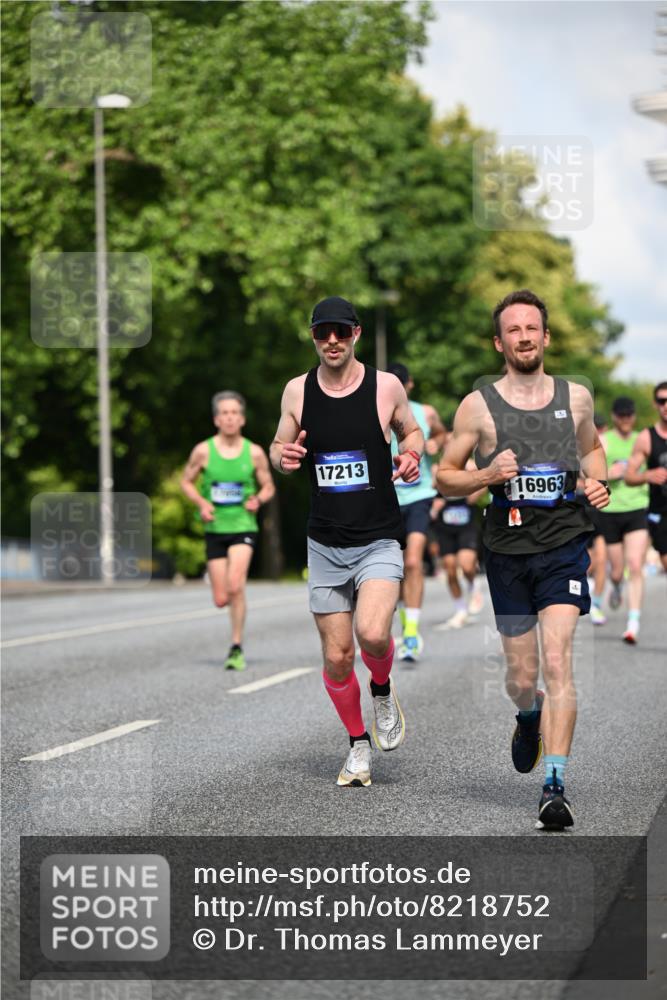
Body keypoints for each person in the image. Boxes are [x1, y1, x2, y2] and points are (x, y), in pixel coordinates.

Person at [437, 289, 610, 829]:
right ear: (499, 342)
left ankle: (554, 785)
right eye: (513, 330)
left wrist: (597, 481)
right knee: (521, 674)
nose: (524, 336)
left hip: (564, 545)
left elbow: (594, 449)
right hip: (508, 552)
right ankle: (527, 713)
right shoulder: (478, 406)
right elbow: (445, 476)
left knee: (558, 662)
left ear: (546, 336)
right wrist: (487, 475)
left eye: (532, 328)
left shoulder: (575, 397)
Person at [270, 296, 424, 787]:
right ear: (313, 337)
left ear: (356, 333)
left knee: (373, 633)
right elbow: (278, 445)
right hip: (325, 540)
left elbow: (412, 431)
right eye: (322, 333)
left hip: (378, 536)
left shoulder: (386, 386)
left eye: (340, 331)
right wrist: (284, 456)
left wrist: (412, 453)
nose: (331, 341)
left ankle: (381, 688)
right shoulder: (297, 391)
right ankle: (358, 745)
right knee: (337, 656)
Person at [181, 391, 275, 670]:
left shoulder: (254, 452)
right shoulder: (203, 451)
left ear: (242, 419)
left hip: (243, 526)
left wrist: (258, 499)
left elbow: (269, 485)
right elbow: (186, 482)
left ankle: (236, 646)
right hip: (215, 528)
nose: (230, 417)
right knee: (221, 597)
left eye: (234, 412)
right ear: (216, 419)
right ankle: (230, 619)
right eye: (224, 413)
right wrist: (201, 502)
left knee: (236, 585)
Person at [386, 362, 447, 661]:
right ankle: (403, 627)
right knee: (394, 570)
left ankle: (411, 632)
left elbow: (442, 434)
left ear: (408, 386)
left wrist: (435, 442)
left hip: (420, 494)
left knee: (412, 562)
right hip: (388, 498)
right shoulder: (377, 412)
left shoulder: (426, 412)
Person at [597, 397, 649, 643]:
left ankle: (633, 623)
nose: (626, 419)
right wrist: (609, 474)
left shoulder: (642, 439)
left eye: (630, 414)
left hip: (638, 507)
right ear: (615, 416)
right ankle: (616, 585)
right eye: (622, 415)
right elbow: (591, 475)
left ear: (634, 416)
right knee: (617, 571)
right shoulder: (605, 442)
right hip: (611, 511)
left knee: (635, 565)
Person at [431, 464, 487, 630]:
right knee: (449, 568)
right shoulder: (437, 467)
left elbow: (483, 482)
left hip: (466, 524)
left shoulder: (469, 464)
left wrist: (474, 492)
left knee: (467, 566)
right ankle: (461, 610)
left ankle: (473, 586)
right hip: (445, 526)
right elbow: (432, 488)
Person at [625, 381, 667, 574]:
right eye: (662, 400)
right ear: (655, 404)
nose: (666, 405)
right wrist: (647, 475)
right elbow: (629, 476)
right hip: (661, 514)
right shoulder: (646, 438)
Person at [586, 413, 609, 625]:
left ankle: (597, 604)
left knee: (602, 561)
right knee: (588, 564)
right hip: (577, 509)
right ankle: (587, 594)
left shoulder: (603, 446)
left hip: (598, 511)